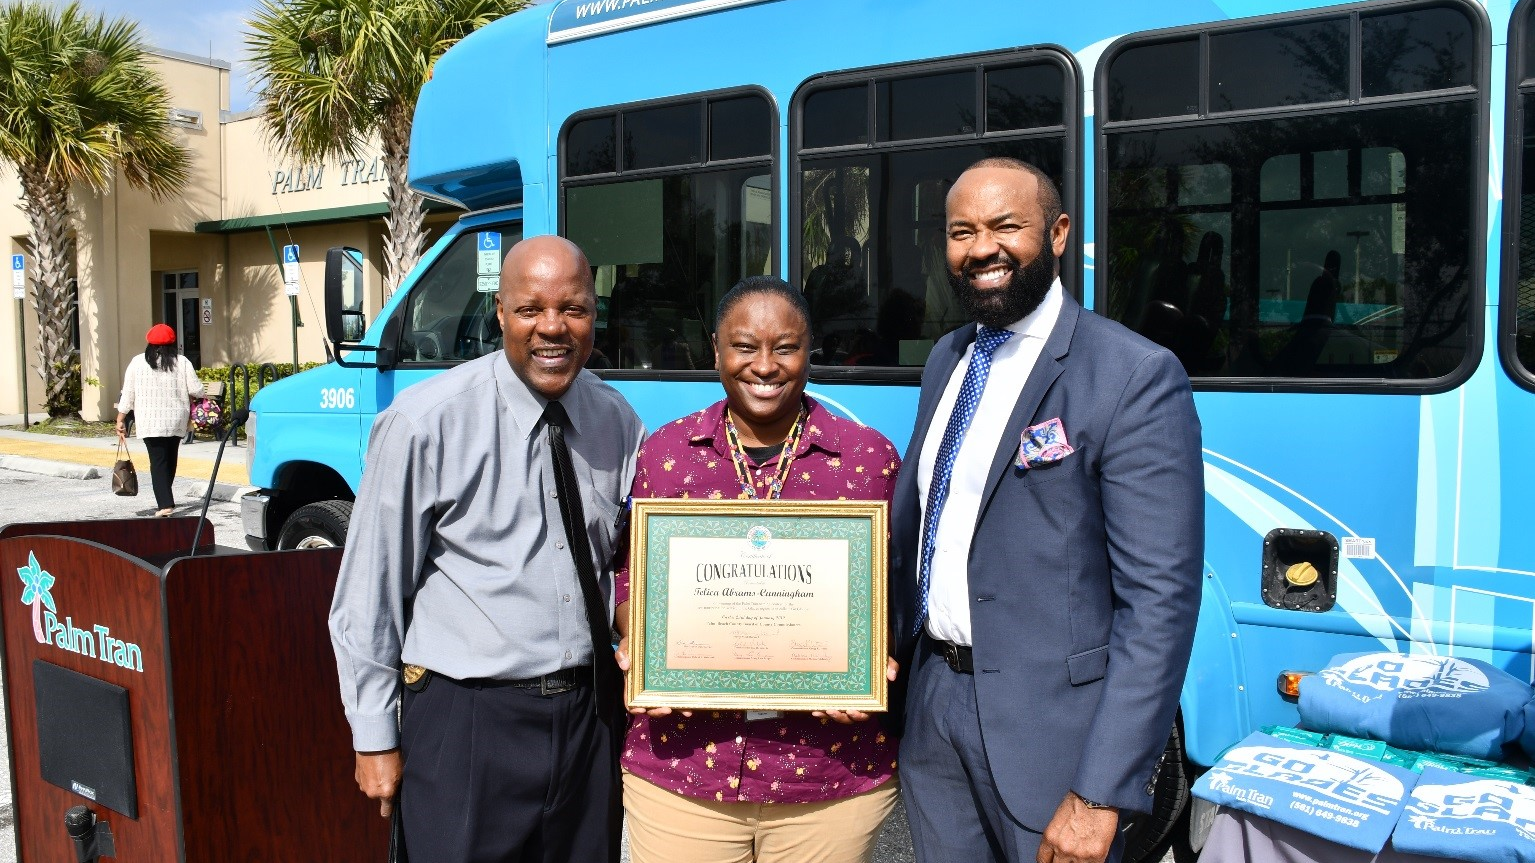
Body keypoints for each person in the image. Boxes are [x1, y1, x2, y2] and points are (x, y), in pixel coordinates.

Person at [888, 158, 1203, 863]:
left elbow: (1159, 604)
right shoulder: (947, 358)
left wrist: (1102, 791)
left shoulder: (1131, 375)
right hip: (936, 712)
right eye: (961, 231)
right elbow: (924, 531)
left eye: (1006, 226)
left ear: (1056, 233)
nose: (981, 248)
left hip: (1053, 743)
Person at [328, 235, 645, 863]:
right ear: (499, 312)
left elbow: (626, 567)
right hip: (466, 722)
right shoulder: (427, 422)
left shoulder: (617, 422)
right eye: (530, 309)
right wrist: (373, 736)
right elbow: (370, 592)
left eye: (573, 308)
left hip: (588, 717)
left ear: (594, 314)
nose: (552, 327)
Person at [613, 276, 902, 863]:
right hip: (683, 774)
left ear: (809, 350)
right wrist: (640, 640)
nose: (765, 366)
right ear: (716, 350)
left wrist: (872, 660)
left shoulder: (869, 459)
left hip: (826, 783)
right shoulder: (666, 457)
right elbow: (630, 580)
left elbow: (895, 590)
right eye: (745, 346)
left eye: (786, 347)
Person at [114, 323, 202, 517]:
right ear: (173, 343)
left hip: (150, 420)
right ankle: (166, 498)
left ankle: (165, 504)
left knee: (158, 461)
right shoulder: (183, 362)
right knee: (170, 460)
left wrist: (121, 418)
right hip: (176, 419)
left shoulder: (137, 362)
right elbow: (197, 389)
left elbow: (128, 393)